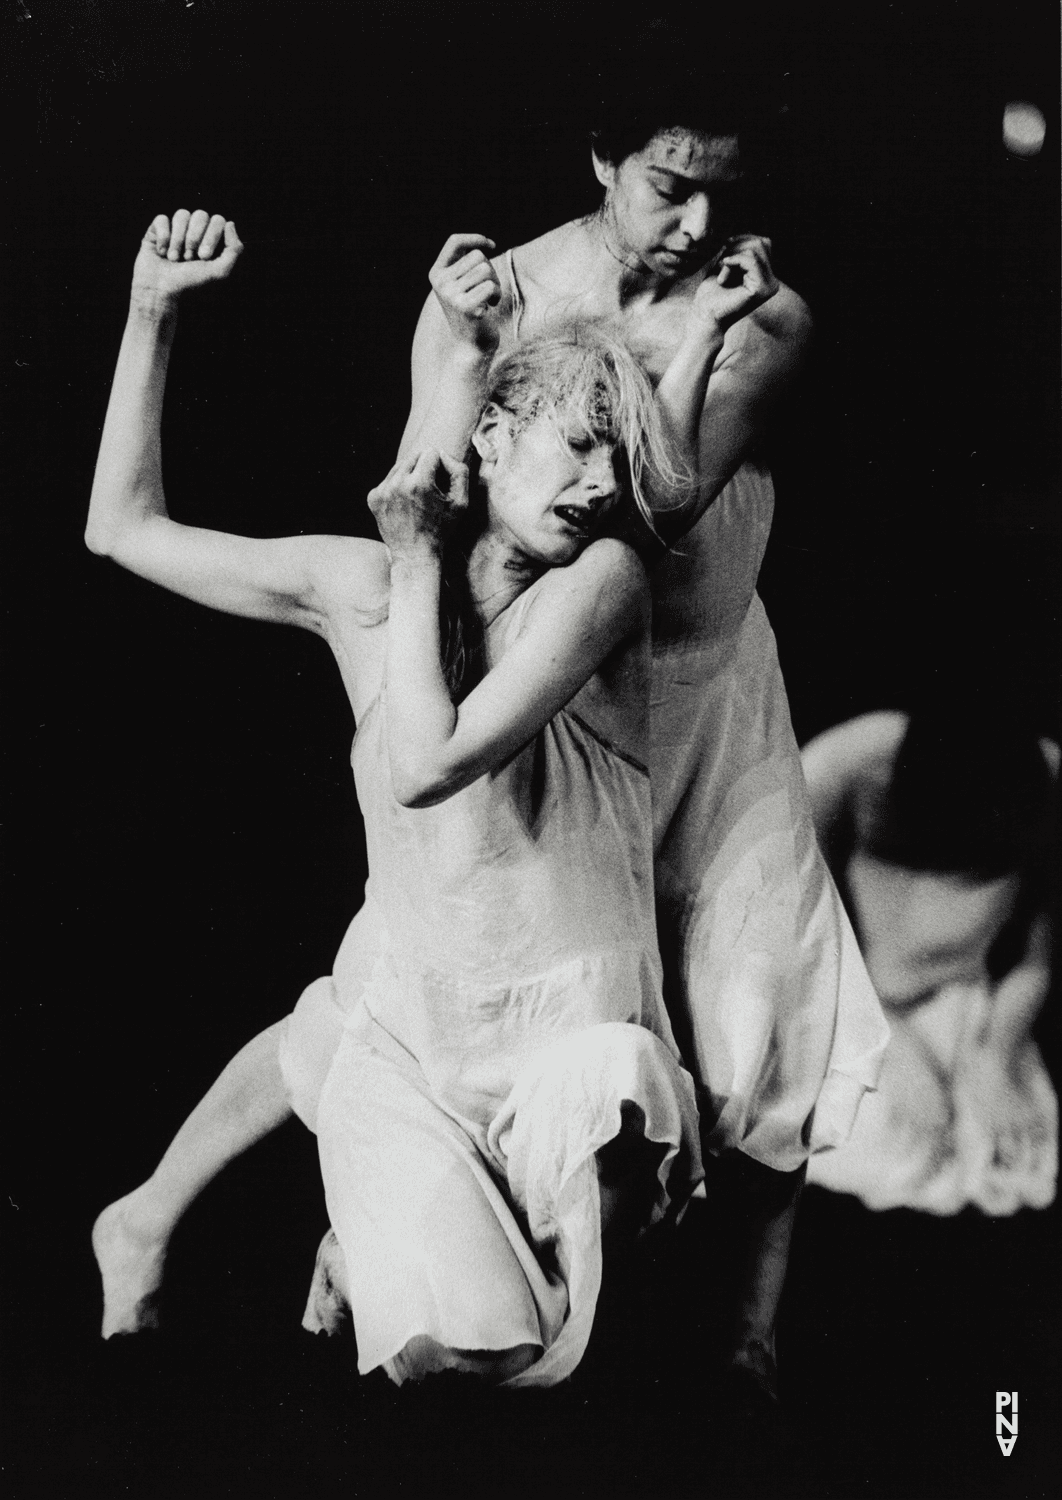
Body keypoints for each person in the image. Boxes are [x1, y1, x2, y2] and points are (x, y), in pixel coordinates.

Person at [94, 50, 890, 1399]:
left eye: (722, 193)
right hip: (498, 669)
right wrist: (180, 316)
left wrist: (697, 330)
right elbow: (425, 485)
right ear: (601, 156)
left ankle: (741, 1345)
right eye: (666, 183)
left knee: (751, 1016)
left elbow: (658, 502)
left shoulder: (748, 343)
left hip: (676, 692)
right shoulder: (495, 306)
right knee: (393, 988)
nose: (695, 223)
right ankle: (249, 1219)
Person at [87, 209, 703, 1386]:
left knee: (557, 1354)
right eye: (574, 446)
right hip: (420, 1016)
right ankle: (173, 1223)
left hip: (564, 1036)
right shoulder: (359, 586)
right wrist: (151, 312)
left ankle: (328, 1240)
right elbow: (121, 529)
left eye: (613, 466)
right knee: (441, 1363)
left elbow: (426, 764)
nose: (593, 487)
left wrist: (420, 557)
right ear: (496, 435)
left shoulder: (604, 587)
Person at [803, 705, 1058, 1215]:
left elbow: (1034, 953)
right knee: (881, 1140)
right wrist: (893, 1047)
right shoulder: (835, 784)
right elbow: (807, 956)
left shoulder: (1031, 801)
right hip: (843, 1001)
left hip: (961, 1002)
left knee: (1019, 1154)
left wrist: (993, 1058)